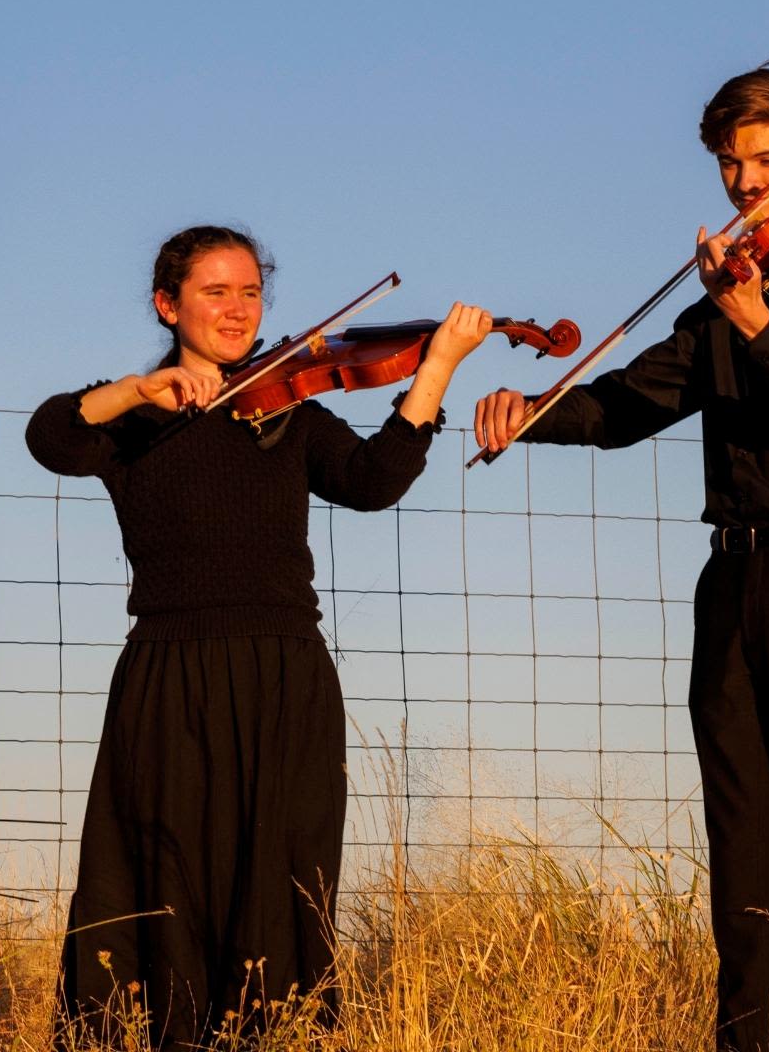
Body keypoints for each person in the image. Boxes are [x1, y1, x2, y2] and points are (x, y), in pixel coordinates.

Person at [474, 60, 769, 1052]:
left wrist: (759, 322)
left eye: (767, 160)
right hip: (732, 578)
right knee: (741, 841)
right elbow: (630, 402)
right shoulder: (720, 294)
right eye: (730, 164)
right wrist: (529, 415)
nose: (747, 182)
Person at [28, 226, 494, 1048]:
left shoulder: (292, 414)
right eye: (215, 291)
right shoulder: (134, 421)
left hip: (285, 676)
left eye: (249, 292)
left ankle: (267, 1037)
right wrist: (141, 387)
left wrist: (437, 370)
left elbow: (373, 481)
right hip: (169, 677)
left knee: (282, 877)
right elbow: (51, 436)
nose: (238, 309)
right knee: (163, 872)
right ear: (168, 304)